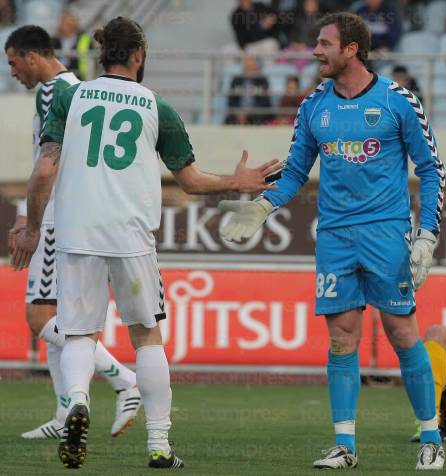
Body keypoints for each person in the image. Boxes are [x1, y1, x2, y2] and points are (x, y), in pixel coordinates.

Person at [10, 16, 280, 470]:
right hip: (131, 235)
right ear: (138, 56)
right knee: (147, 338)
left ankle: (77, 402)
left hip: (78, 234)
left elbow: (43, 171)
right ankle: (158, 445)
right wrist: (236, 181)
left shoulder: (71, 98)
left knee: (78, 332)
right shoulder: (158, 106)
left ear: (102, 54)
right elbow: (191, 182)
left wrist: (33, 226)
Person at [218, 11, 446, 470]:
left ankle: (432, 438)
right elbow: (297, 171)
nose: (315, 51)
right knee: (342, 340)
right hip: (336, 237)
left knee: (402, 333)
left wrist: (428, 234)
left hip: (386, 233)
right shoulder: (313, 105)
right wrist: (264, 206)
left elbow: (431, 169)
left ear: (351, 49)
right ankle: (345, 446)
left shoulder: (399, 101)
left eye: (324, 43)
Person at [5, 24, 142, 442]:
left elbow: (50, 162)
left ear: (32, 56)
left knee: (40, 315)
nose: (12, 72)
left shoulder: (53, 93)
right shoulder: (75, 88)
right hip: (67, 214)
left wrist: (33, 217)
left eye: (13, 63)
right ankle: (64, 414)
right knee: (59, 315)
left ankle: (125, 381)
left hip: (55, 216)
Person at [225, 56, 272, 125]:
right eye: (247, 68)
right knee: (228, 120)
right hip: (238, 113)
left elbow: (264, 102)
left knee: (258, 118)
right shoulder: (236, 80)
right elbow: (231, 101)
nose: (250, 70)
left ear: (256, 68)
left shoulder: (262, 81)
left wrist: (248, 113)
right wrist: (238, 112)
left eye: (252, 68)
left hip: (255, 112)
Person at [52, 11, 94, 80]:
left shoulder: (84, 39)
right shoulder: (55, 40)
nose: (60, 25)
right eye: (61, 22)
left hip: (79, 76)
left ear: (73, 25)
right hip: (58, 75)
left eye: (64, 23)